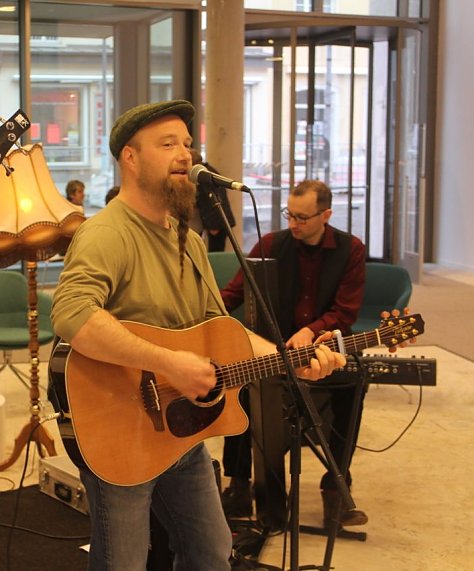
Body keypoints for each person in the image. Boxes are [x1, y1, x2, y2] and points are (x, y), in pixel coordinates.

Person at [50, 100, 345, 570]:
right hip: (118, 430)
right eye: (168, 144)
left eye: (187, 143)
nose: (186, 155)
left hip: (180, 430)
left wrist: (292, 358)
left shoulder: (184, 238)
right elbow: (72, 315)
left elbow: (222, 329)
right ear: (130, 157)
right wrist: (170, 364)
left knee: (211, 552)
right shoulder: (107, 234)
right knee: (124, 562)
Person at [218, 178, 367, 529]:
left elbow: (345, 312)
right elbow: (235, 292)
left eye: (303, 217)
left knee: (355, 385)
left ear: (325, 215)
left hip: (323, 348)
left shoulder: (351, 250)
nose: (294, 224)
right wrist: (207, 319)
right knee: (240, 386)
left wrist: (311, 331)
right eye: (290, 214)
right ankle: (240, 485)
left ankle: (335, 486)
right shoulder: (271, 244)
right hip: (271, 349)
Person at [189, 148, 236, 252]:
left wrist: (214, 226)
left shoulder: (203, 175)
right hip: (219, 220)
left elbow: (213, 199)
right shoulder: (207, 171)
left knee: (216, 253)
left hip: (217, 223)